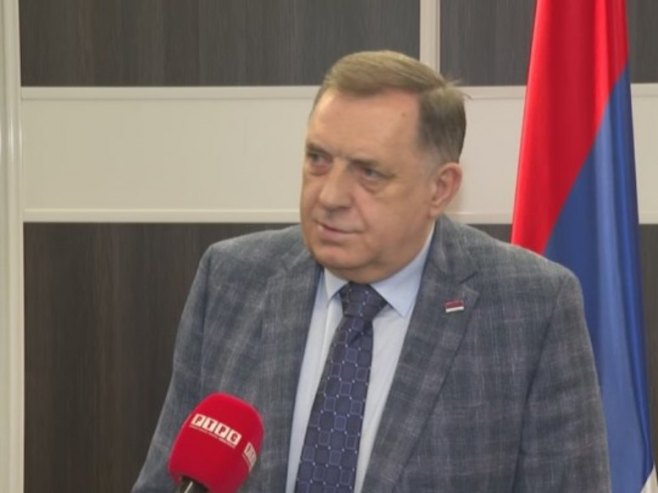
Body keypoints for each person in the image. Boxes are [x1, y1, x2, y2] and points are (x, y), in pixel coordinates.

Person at [133, 50, 610, 492]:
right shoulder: (232, 279)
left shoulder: (532, 308)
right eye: (318, 160)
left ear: (440, 189)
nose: (330, 196)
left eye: (369, 173)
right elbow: (166, 481)